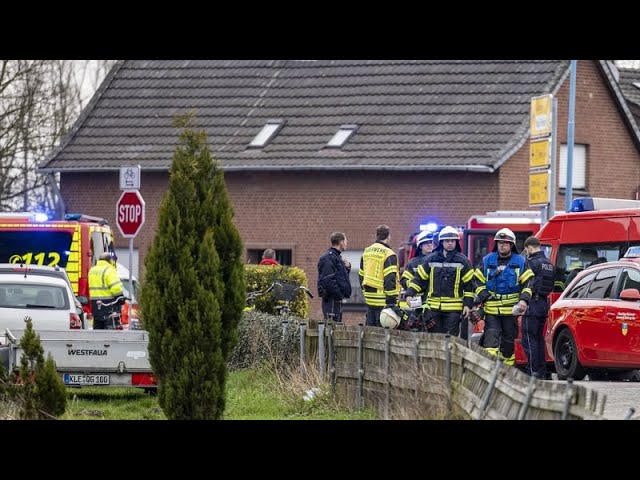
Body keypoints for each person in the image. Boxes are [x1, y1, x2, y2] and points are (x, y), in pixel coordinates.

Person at [473, 228, 534, 365]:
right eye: (500, 242)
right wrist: (484, 295)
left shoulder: (521, 261)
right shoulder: (487, 260)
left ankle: (507, 373)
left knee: (508, 344)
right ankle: (489, 371)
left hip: (510, 311)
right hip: (491, 311)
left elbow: (529, 282)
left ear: (511, 245)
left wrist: (524, 300)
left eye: (505, 243)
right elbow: (476, 279)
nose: (502, 245)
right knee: (490, 342)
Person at [404, 226, 475, 336]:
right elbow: (419, 280)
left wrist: (467, 305)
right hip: (434, 308)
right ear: (441, 242)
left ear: (456, 242)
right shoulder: (430, 259)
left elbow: (469, 286)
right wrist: (409, 294)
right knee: (435, 339)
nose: (450, 243)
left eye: (453, 241)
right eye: (447, 241)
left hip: (454, 310)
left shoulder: (463, 261)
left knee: (451, 340)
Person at [522, 236, 555, 379]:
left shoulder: (531, 263)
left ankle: (533, 372)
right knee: (539, 339)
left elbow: (525, 282)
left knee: (529, 339)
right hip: (543, 304)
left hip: (532, 304)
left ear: (529, 248)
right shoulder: (549, 264)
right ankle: (542, 372)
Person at [359, 224, 400, 327]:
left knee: (370, 333)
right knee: (382, 337)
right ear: (389, 236)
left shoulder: (367, 251)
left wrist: (365, 292)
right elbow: (390, 279)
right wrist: (391, 302)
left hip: (369, 300)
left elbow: (361, 275)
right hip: (383, 302)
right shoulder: (388, 254)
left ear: (376, 236)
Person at [399, 230, 435, 331]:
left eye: (431, 242)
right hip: (417, 304)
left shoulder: (437, 261)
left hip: (434, 304)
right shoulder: (413, 263)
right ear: (420, 246)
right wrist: (415, 286)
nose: (429, 245)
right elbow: (403, 280)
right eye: (426, 243)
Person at [317, 232, 352, 322]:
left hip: (335, 300)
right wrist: (339, 295)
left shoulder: (336, 257)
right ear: (340, 242)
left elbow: (339, 277)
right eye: (345, 241)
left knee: (336, 329)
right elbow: (328, 280)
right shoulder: (329, 258)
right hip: (331, 300)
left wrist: (347, 268)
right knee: (331, 329)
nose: (346, 244)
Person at [88, 252, 125, 329]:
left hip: (95, 305)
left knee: (98, 326)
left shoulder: (92, 271)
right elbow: (116, 287)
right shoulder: (109, 270)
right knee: (110, 328)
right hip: (108, 304)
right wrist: (120, 298)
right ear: (109, 260)